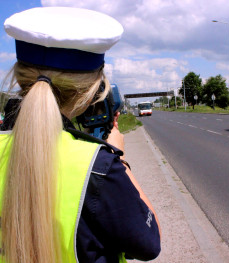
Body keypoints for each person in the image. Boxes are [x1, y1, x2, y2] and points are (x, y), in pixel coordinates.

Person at [0, 7, 161, 263]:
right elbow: (150, 244)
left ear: (20, 78)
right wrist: (117, 158)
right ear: (89, 92)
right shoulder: (99, 167)